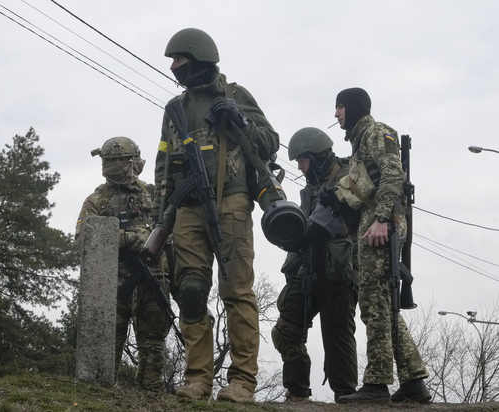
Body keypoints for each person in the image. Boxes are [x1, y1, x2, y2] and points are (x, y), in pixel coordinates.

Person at [152, 28, 279, 402]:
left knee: (236, 291)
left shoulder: (235, 95)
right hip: (186, 208)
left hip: (232, 203)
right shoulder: (174, 108)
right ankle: (198, 379)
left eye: (180, 60)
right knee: (190, 291)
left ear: (199, 58)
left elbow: (270, 142)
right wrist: (162, 216)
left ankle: (242, 381)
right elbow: (163, 163)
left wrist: (239, 119)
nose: (174, 67)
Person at [331, 88, 431, 404]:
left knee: (374, 303)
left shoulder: (377, 131)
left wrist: (383, 218)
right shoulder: (361, 141)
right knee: (381, 305)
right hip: (373, 220)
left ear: (355, 108)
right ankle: (413, 382)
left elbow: (393, 173)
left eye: (340, 107)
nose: (336, 114)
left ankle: (376, 384)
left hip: (380, 222)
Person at [75, 136, 170, 390]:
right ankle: (100, 389)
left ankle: (151, 391)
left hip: (152, 276)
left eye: (122, 161)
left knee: (153, 338)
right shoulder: (96, 200)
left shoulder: (152, 194)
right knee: (108, 338)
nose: (119, 167)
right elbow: (82, 240)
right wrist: (126, 239)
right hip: (113, 278)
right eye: (112, 162)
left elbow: (170, 232)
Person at [271, 127, 358, 403]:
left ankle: (345, 395)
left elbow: (320, 225)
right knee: (285, 328)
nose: (300, 167)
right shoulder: (310, 187)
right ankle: (297, 392)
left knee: (337, 333)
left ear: (316, 155)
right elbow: (304, 227)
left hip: (339, 268)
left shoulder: (346, 175)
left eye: (302, 161)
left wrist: (297, 233)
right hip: (309, 266)